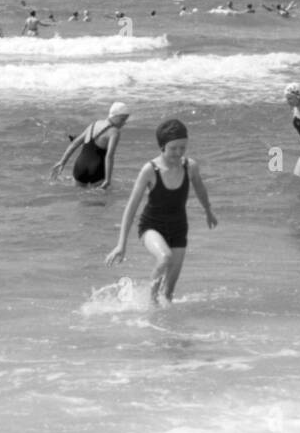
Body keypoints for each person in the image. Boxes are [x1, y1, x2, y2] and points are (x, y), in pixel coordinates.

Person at [106, 119, 217, 306]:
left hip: (179, 229)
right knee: (164, 257)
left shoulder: (190, 166)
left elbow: (200, 188)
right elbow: (131, 208)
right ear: (162, 146)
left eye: (183, 148)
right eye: (173, 148)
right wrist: (121, 245)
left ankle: (163, 324)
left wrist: (208, 210)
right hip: (151, 227)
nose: (179, 153)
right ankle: (150, 304)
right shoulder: (150, 170)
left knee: (169, 293)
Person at [50, 102, 131, 188]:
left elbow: (74, 143)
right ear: (114, 116)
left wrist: (62, 162)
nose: (124, 123)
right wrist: (107, 179)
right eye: (122, 119)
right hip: (97, 170)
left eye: (125, 120)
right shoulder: (114, 132)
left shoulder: (94, 125)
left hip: (80, 168)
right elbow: (109, 156)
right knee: (98, 200)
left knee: (79, 199)